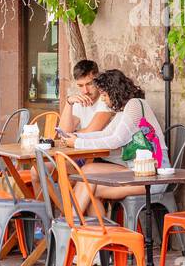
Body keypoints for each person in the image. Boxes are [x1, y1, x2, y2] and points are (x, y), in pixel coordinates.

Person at [57, 69, 170, 210]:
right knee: (87, 170)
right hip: (136, 171)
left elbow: (115, 140)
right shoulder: (124, 110)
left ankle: (74, 224)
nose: (103, 99)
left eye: (104, 95)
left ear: (114, 91)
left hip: (154, 175)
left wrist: (78, 143)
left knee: (89, 189)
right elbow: (105, 134)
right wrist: (77, 137)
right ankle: (86, 227)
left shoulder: (135, 105)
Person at [57, 59, 114, 135]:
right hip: (84, 146)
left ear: (98, 80)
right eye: (80, 86)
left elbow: (90, 132)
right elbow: (62, 132)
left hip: (103, 146)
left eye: (89, 84)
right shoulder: (80, 101)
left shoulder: (106, 99)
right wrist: (69, 102)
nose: (85, 91)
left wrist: (70, 134)